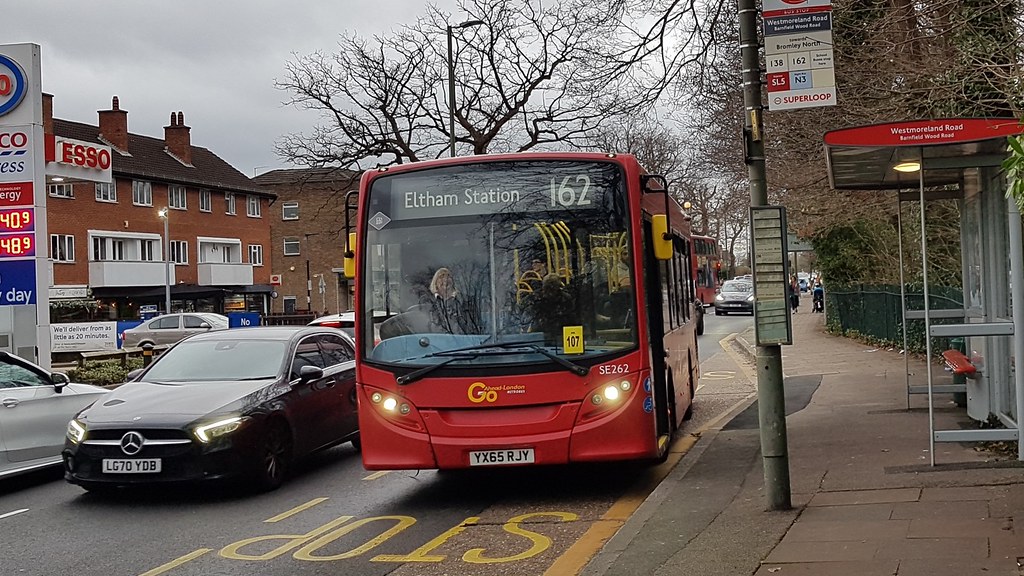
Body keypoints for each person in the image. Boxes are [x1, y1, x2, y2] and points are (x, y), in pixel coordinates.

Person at [425, 267, 468, 334]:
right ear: (435, 282)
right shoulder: (428, 301)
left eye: (448, 276)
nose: (445, 279)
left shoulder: (464, 300)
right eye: (441, 277)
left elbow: (470, 325)